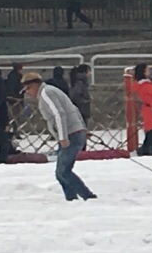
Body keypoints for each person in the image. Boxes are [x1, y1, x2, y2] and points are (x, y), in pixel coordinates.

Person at [22, 71, 96, 201]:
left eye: (28, 88)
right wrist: (82, 129)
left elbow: (59, 114)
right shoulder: (50, 92)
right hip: (74, 132)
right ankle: (71, 198)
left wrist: (63, 137)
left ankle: (87, 197)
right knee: (61, 173)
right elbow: (73, 109)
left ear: (35, 85)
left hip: (70, 134)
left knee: (63, 172)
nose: (27, 92)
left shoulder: (46, 93)